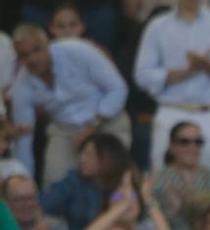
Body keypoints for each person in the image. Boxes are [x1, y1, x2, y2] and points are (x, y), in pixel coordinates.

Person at [8, 23, 129, 189]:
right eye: (24, 55)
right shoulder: (21, 88)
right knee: (53, 184)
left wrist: (93, 125)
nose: (32, 59)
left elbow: (118, 88)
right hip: (65, 130)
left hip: (106, 120)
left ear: (48, 44)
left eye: (37, 50)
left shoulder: (78, 51)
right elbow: (24, 143)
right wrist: (24, 183)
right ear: (18, 60)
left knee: (113, 179)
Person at [134, 0, 210, 173]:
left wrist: (209, 67)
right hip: (171, 110)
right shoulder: (157, 26)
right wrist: (184, 72)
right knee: (164, 179)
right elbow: (142, 75)